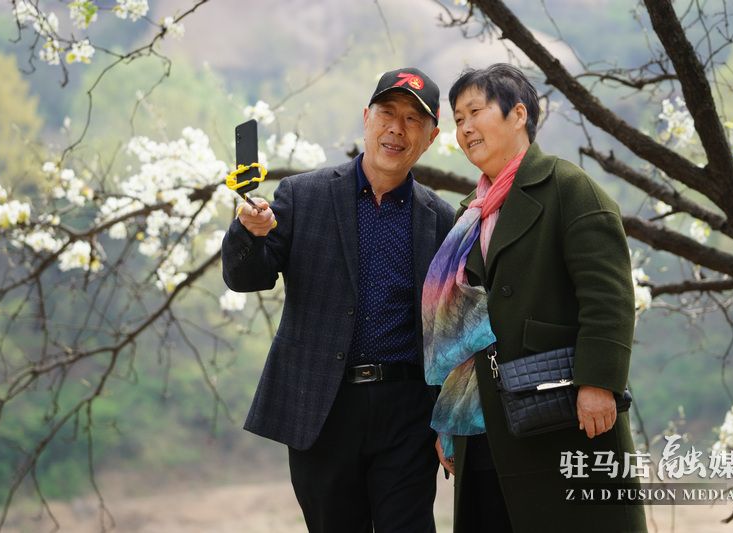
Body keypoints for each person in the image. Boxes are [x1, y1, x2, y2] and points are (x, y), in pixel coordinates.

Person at [222, 67, 455, 533]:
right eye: (387, 113)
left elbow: (448, 327)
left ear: (430, 138)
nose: (397, 129)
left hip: (408, 409)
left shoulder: (441, 218)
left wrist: (448, 418)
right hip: (323, 406)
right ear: (367, 118)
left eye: (413, 120)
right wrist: (248, 231)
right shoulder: (303, 195)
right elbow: (247, 277)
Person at [422, 64, 648, 532]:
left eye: (475, 112)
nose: (465, 128)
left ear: (518, 114)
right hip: (485, 423)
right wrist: (450, 418)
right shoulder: (468, 214)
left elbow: (608, 296)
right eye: (458, 119)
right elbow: (459, 327)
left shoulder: (569, 188)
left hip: (562, 414)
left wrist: (599, 383)